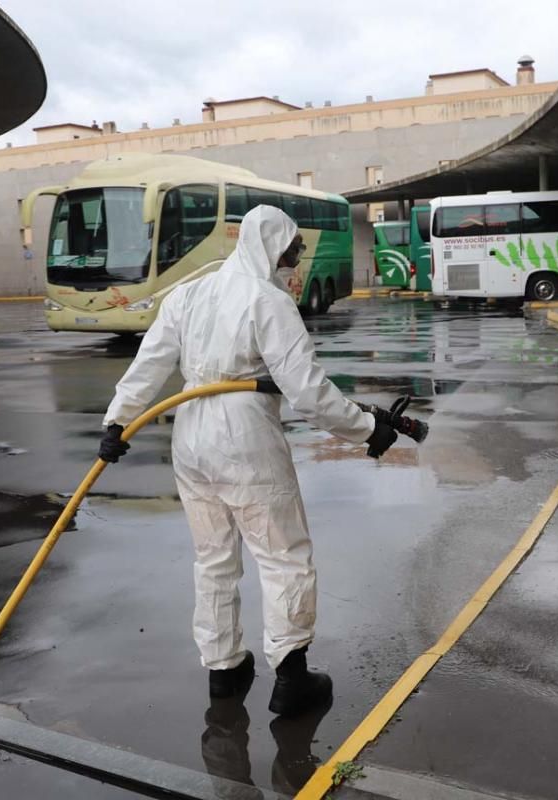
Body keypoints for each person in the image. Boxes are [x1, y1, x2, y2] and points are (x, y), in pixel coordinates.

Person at [99, 204, 398, 717]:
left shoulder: (190, 293)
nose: (295, 262)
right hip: (244, 437)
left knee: (213, 558)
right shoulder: (268, 300)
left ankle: (224, 669)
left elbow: (150, 361)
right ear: (273, 248)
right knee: (283, 554)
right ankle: (291, 676)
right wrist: (368, 429)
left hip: (190, 432)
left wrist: (116, 420)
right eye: (293, 252)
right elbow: (306, 392)